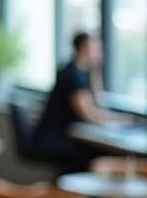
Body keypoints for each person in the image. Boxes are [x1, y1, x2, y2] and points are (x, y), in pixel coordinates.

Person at [32, 32, 131, 173]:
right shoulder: (72, 74)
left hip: (65, 135)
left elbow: (97, 100)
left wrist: (96, 68)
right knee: (95, 155)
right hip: (53, 138)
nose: (99, 53)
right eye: (95, 48)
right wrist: (121, 119)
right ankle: (74, 192)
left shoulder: (81, 72)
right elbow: (88, 113)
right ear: (83, 47)